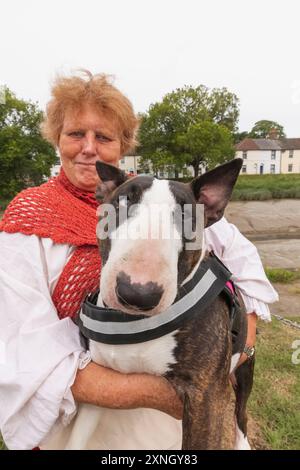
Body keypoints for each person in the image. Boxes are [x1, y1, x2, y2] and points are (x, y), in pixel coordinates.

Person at [0, 71, 278, 450]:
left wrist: (238, 352)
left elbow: (244, 264)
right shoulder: (29, 218)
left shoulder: (163, 195)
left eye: (104, 137)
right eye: (75, 134)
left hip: (189, 418)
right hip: (89, 421)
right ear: (56, 138)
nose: (88, 148)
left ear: (123, 145)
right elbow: (25, 353)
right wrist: (181, 392)